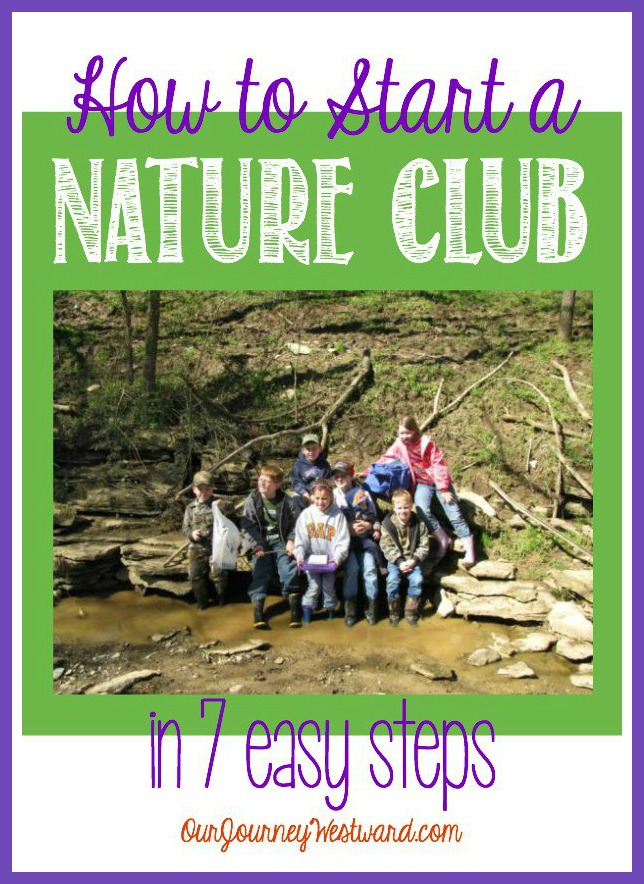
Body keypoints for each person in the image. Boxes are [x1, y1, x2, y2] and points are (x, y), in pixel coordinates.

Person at [377, 415, 476, 568]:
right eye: (401, 433)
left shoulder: (426, 443)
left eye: (407, 433)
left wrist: (443, 489)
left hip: (439, 482)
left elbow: (439, 464)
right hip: (423, 484)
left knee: (453, 512)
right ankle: (443, 539)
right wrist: (370, 469)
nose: (404, 437)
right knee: (422, 510)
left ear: (415, 430)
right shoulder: (400, 444)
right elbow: (387, 457)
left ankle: (470, 551)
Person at [240, 463, 303, 629]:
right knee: (261, 571)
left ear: (277, 485)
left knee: (288, 569)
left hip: (282, 542)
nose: (262, 483)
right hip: (261, 543)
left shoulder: (287, 501)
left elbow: (298, 524)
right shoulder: (252, 501)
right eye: (261, 479)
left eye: (267, 481)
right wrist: (256, 545)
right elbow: (248, 526)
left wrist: (292, 540)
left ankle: (295, 612)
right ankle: (259, 613)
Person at [331, 460, 382, 627]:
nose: (339, 478)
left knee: (370, 571)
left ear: (350, 475)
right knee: (352, 569)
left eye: (343, 475)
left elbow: (375, 518)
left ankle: (371, 611)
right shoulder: (332, 496)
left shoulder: (363, 493)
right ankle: (351, 612)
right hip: (345, 544)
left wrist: (369, 525)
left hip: (365, 541)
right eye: (336, 476)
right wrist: (347, 528)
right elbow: (327, 523)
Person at [294, 480, 350, 623]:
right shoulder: (306, 514)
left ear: (331, 497)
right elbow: (300, 539)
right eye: (317, 498)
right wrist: (299, 555)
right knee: (314, 586)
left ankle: (330, 610)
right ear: (312, 497)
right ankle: (307, 610)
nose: (320, 502)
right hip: (311, 560)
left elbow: (342, 541)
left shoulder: (337, 516)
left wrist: (338, 558)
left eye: (324, 498)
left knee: (328, 586)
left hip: (330, 561)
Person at [380, 489, 430, 627]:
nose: (403, 511)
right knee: (392, 581)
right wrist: (400, 562)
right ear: (394, 508)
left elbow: (424, 546)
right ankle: (394, 612)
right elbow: (387, 547)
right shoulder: (387, 524)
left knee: (417, 580)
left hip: (413, 560)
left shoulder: (419, 524)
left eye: (406, 507)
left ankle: (410, 612)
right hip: (395, 561)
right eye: (400, 508)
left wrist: (414, 561)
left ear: (412, 506)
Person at [182, 470, 227, 610]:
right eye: (200, 489)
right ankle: (202, 605)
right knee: (195, 575)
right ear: (194, 489)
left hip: (217, 547)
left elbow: (232, 518)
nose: (204, 492)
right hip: (197, 547)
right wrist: (191, 534)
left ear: (212, 488)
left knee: (218, 575)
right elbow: (185, 528)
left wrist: (223, 508)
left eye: (207, 488)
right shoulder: (190, 508)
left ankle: (222, 602)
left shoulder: (218, 503)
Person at [291, 433, 332, 507]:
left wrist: (318, 495)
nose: (311, 452)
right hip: (305, 494)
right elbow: (296, 483)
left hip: (320, 493)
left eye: (314, 448)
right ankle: (300, 518)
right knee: (295, 498)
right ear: (303, 450)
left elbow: (328, 481)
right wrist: (306, 495)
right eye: (308, 449)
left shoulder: (325, 465)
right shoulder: (298, 465)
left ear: (319, 449)